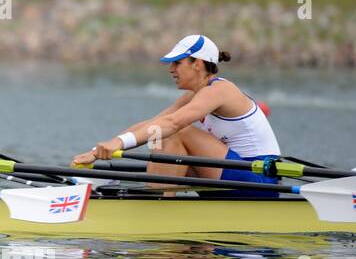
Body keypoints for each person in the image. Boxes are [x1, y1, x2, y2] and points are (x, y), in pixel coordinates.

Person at [72, 35, 282, 197]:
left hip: (259, 181)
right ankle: (159, 197)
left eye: (177, 63)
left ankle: (157, 206)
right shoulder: (194, 95)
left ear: (197, 64)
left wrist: (119, 143)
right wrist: (97, 151)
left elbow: (173, 124)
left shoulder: (221, 90)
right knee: (158, 133)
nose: (171, 69)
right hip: (233, 176)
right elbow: (154, 123)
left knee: (174, 132)